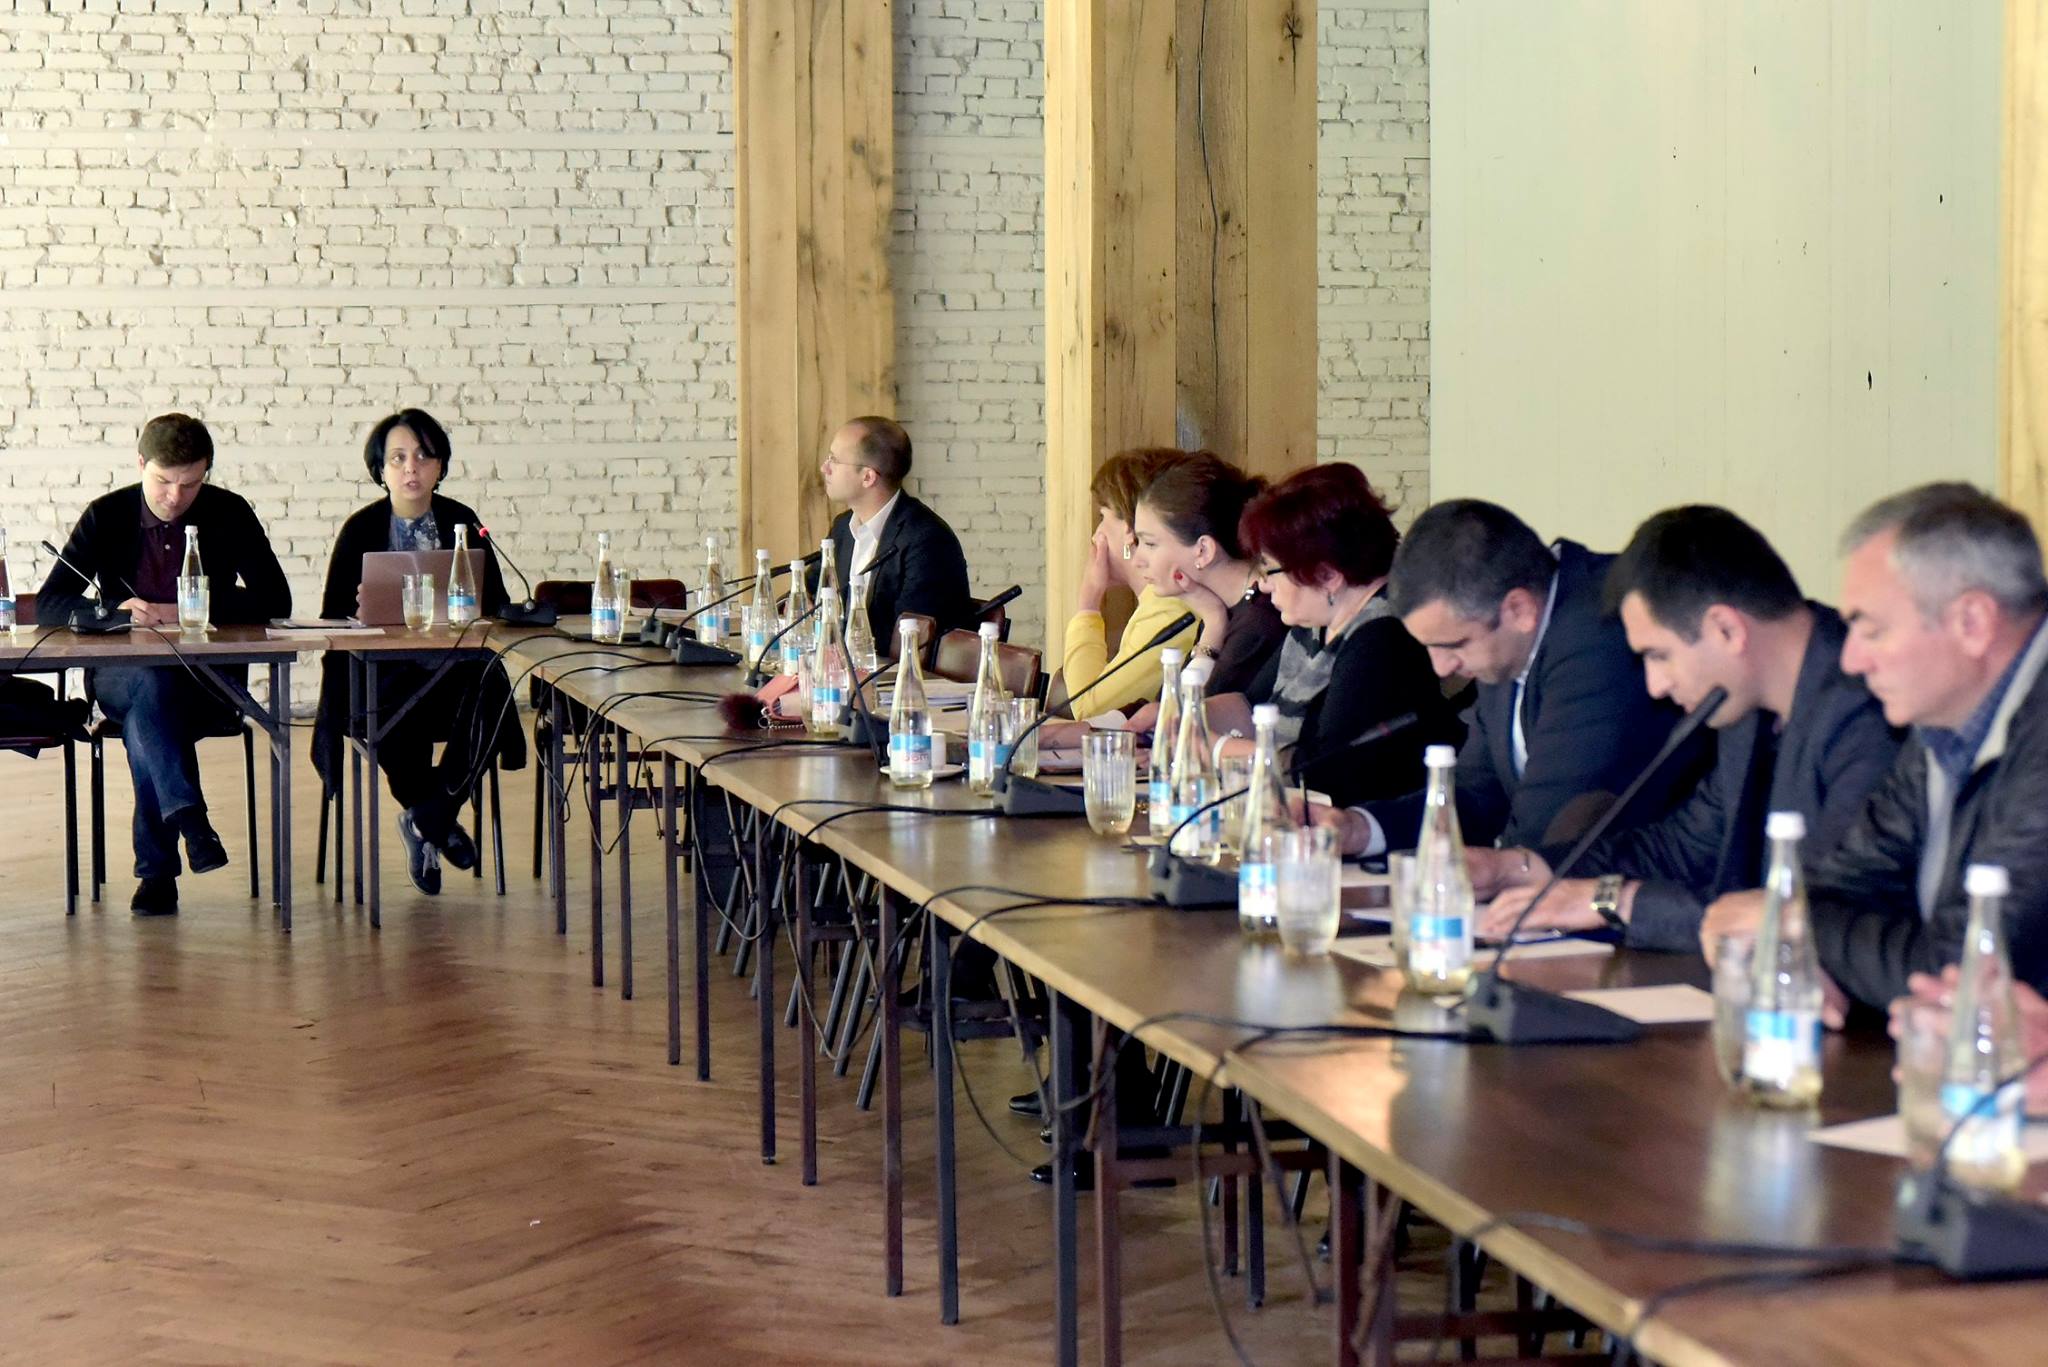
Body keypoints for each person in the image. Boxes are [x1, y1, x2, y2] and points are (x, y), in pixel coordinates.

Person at [1468, 506, 1899, 949]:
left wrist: (1615, 901)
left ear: (1726, 630)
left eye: (1659, 656)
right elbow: (1683, 848)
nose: (1656, 686)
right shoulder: (1747, 709)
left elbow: (1817, 913)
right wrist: (1514, 868)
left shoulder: (1868, 711)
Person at [1702, 483, 2048, 1013]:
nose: (1851, 661)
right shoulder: (1940, 726)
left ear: (1972, 623)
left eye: (1873, 630)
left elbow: (1966, 971)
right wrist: (1805, 941)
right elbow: (1840, 886)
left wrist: (1793, 925)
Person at [1315, 499, 1705, 857]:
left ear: (1518, 609)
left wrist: (1495, 868)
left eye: (1453, 645)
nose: (1441, 668)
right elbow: (1476, 794)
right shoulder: (1508, 635)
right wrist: (1360, 829)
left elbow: (1551, 828)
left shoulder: (1596, 633)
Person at [38, 413, 292, 916]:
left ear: (206, 473)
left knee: (148, 720)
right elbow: (50, 602)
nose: (176, 497)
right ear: (141, 464)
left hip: (207, 681)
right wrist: (112, 612)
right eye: (163, 482)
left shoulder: (229, 512)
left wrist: (189, 609)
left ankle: (161, 867)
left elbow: (275, 599)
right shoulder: (107, 514)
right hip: (121, 676)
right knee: (151, 688)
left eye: (190, 483)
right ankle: (190, 823)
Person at [311, 410, 527, 897]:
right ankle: (436, 821)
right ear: (380, 469)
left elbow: (496, 604)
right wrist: (360, 613)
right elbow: (331, 621)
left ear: (440, 466)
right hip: (383, 680)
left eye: (424, 456)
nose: (412, 467)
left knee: (491, 690)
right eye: (398, 458)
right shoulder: (360, 529)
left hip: (453, 676)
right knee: (389, 708)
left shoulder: (462, 522)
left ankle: (426, 819)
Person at [1213, 463, 1462, 805]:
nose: (1263, 584)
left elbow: (1325, 769)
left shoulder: (1383, 637)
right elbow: (1252, 706)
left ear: (1328, 576)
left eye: (1270, 569)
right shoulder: (1317, 621)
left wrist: (1218, 750)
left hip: (1367, 820)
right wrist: (1180, 720)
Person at [1055, 447, 1199, 716]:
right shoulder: (1158, 603)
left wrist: (1088, 604)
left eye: (1103, 517)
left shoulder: (1170, 609)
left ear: (1129, 530)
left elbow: (1089, 709)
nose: (1096, 534)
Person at [1129, 452, 1285, 697]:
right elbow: (1161, 707)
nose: (1137, 561)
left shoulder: (1260, 622)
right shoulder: (1219, 604)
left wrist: (1213, 624)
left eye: (1150, 544)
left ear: (1203, 550)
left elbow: (1188, 713)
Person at [814, 416, 974, 647]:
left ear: (868, 477)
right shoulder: (843, 528)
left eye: (834, 460)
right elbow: (812, 592)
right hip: (848, 664)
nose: (824, 468)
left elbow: (908, 637)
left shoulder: (927, 541)